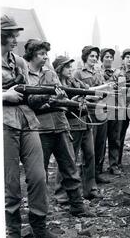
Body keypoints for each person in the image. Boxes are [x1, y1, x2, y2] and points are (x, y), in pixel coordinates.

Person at [1, 15, 56, 238]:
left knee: (38, 176)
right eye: (11, 35)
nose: (15, 39)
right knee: (11, 183)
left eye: (15, 34)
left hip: (28, 122)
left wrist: (46, 94)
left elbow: (29, 99)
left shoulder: (20, 63)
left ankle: (39, 224)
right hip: (4, 124)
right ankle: (13, 231)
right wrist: (3, 96)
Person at [24, 39, 91, 217]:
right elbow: (30, 102)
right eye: (41, 54)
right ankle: (40, 214)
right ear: (32, 55)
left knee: (70, 168)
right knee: (40, 174)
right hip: (40, 130)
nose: (45, 57)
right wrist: (50, 99)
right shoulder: (24, 74)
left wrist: (66, 101)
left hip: (60, 125)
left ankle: (78, 207)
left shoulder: (50, 73)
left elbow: (58, 96)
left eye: (46, 54)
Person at [52, 55, 101, 201]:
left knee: (90, 156)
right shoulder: (57, 85)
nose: (70, 69)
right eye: (67, 67)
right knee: (67, 159)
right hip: (70, 124)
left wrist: (87, 97)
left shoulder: (74, 81)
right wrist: (72, 101)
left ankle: (90, 189)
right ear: (59, 69)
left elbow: (87, 90)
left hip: (85, 121)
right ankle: (62, 194)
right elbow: (58, 105)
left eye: (71, 67)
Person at [73, 46, 111, 184]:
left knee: (101, 143)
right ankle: (87, 176)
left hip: (101, 110)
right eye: (92, 56)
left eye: (96, 56)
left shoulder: (98, 72)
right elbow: (77, 94)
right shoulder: (78, 73)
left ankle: (97, 173)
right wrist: (90, 97)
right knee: (89, 146)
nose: (94, 59)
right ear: (85, 57)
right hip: (88, 112)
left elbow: (104, 88)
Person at [99, 48, 123, 175]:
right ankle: (98, 167)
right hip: (101, 108)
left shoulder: (118, 72)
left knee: (115, 138)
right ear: (101, 58)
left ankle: (114, 165)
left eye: (111, 57)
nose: (108, 59)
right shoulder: (97, 71)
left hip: (115, 107)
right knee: (101, 140)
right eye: (106, 56)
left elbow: (123, 87)